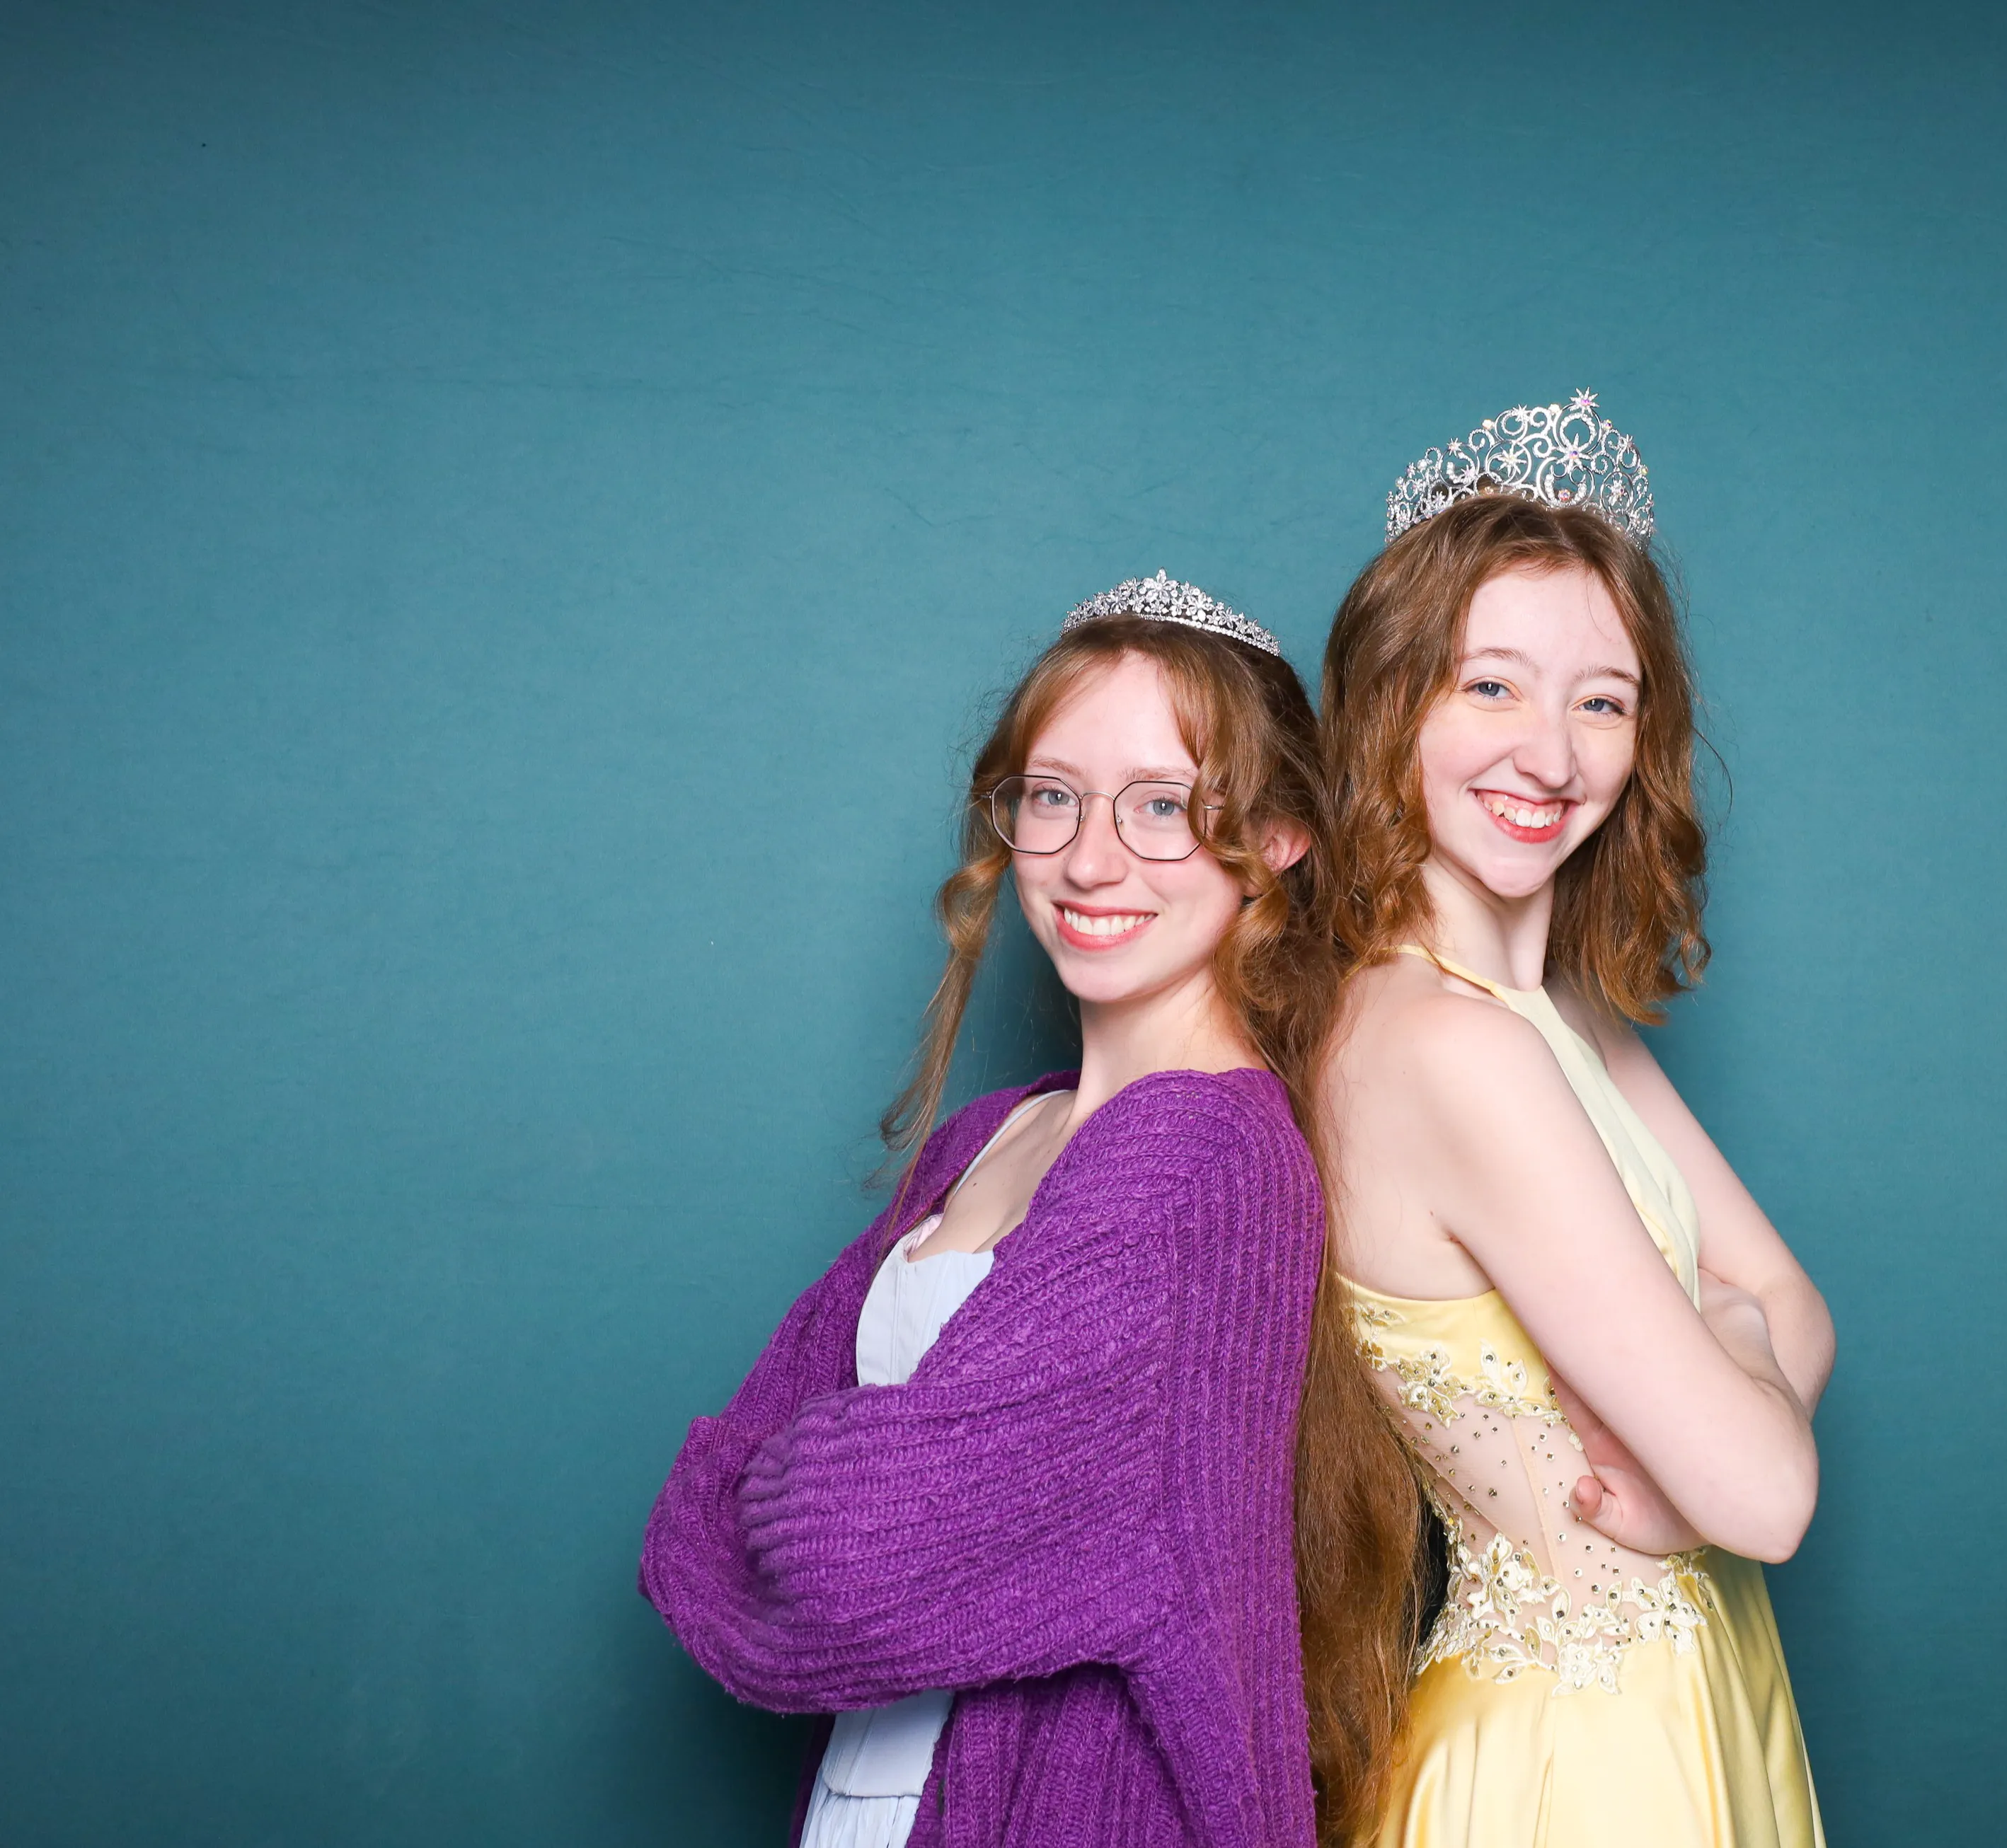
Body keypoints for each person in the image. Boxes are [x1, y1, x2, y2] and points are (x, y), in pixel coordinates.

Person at [641, 572, 1381, 1848]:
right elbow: (699, 1511)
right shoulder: (990, 1135)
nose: (1091, 861)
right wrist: (836, 1495)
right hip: (870, 1797)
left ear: (1275, 839)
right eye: (1053, 798)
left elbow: (836, 1554)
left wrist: (817, 1486)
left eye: (1164, 806)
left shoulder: (1204, 1155)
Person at [1315, 394, 1834, 1847]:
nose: (1550, 754)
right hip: (1580, 1760)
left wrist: (1737, 1356)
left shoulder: (1565, 1016)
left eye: (1601, 700)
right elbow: (1773, 1495)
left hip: (1690, 1692)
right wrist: (1722, 1428)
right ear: (1393, 702)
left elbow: (1794, 1303)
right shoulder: (1447, 1043)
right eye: (1491, 687)